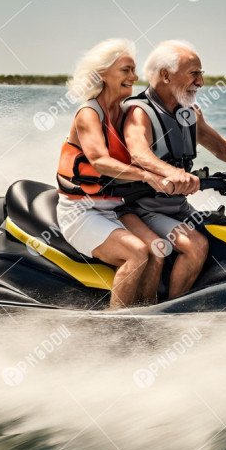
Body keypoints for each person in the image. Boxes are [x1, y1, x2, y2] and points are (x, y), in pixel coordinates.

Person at [121, 40, 226, 299]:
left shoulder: (188, 113)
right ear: (165, 75)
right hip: (144, 208)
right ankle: (175, 312)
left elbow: (220, 147)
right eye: (193, 74)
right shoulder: (139, 111)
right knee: (195, 246)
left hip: (178, 206)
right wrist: (172, 173)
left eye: (201, 74)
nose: (201, 83)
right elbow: (138, 153)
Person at [55, 38, 171, 308]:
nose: (134, 76)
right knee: (137, 253)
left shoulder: (125, 113)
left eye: (134, 70)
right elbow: (99, 161)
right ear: (102, 74)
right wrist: (147, 176)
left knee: (158, 249)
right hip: (81, 210)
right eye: (125, 70)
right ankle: (116, 324)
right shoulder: (88, 114)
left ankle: (147, 314)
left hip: (115, 207)